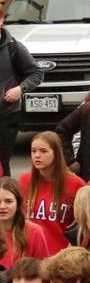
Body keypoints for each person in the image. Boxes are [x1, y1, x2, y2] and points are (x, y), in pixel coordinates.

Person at [0, 11, 43, 176]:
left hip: (7, 114)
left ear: (2, 20)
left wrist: (20, 89)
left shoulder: (13, 47)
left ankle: (5, 197)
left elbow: (37, 73)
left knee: (2, 162)